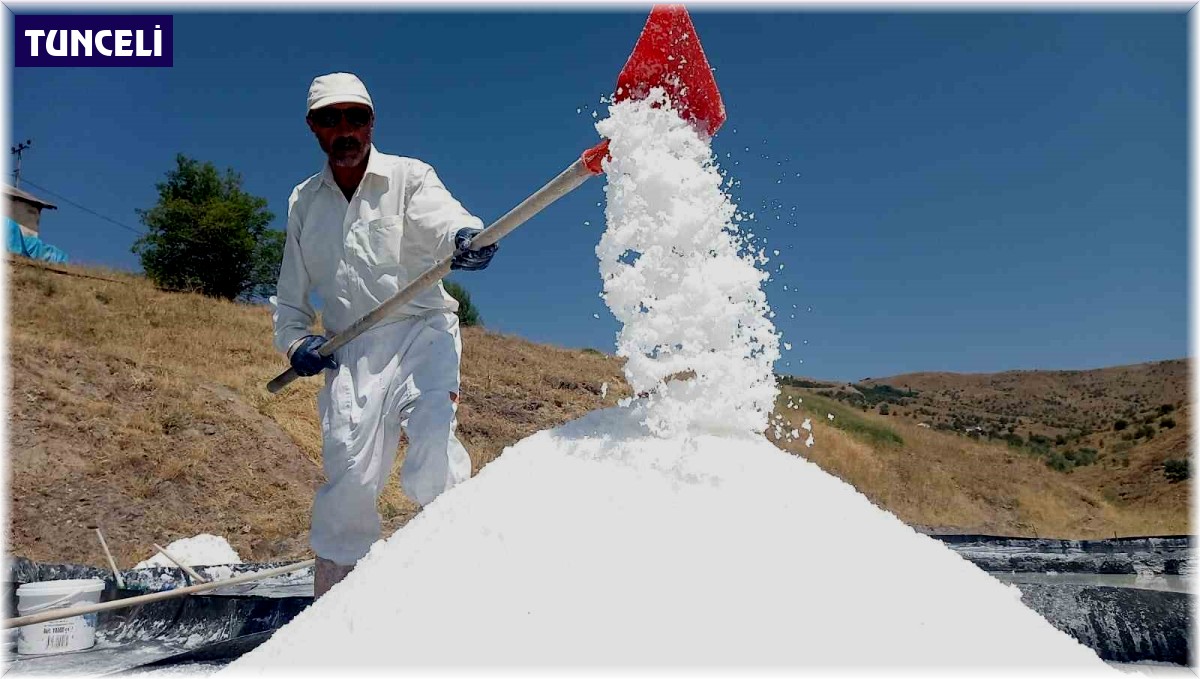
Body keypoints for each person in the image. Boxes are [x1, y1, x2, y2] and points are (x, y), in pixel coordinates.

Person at [272, 72, 498, 598]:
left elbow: (444, 220)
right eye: (331, 118)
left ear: (372, 123)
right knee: (349, 477)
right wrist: (295, 343)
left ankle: (456, 590)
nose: (345, 129)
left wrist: (464, 237)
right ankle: (333, 610)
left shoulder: (408, 177)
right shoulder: (304, 202)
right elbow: (290, 298)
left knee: (433, 447)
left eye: (356, 117)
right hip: (350, 350)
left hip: (422, 332)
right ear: (313, 127)